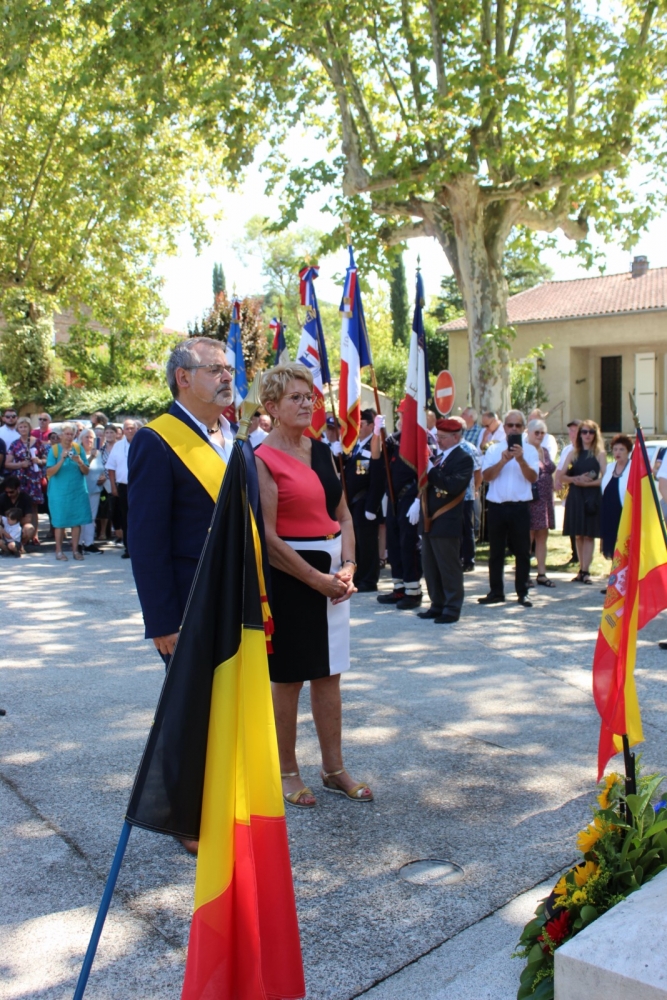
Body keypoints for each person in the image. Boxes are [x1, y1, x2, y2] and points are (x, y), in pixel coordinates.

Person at [254, 364, 370, 809]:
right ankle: (286, 771)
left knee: (329, 674)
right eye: (295, 398)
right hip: (291, 577)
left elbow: (342, 516)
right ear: (272, 407)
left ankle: (334, 768)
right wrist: (316, 579)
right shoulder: (261, 458)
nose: (306, 405)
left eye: (309, 397)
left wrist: (349, 566)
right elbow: (267, 537)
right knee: (288, 679)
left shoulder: (321, 451)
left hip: (334, 574)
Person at [479, 410, 539, 607]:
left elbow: (533, 478)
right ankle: (496, 591)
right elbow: (486, 477)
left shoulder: (530, 451)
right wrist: (503, 461)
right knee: (496, 552)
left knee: (522, 551)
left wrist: (520, 460)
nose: (514, 428)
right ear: (504, 427)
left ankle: (523, 592)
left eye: (518, 426)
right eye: (510, 425)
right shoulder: (494, 450)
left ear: (523, 428)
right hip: (497, 507)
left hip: (520, 507)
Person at [418, 418, 474, 623]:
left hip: (447, 519)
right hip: (429, 519)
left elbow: (453, 486)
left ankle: (452, 608)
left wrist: (431, 471)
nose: (438, 441)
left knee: (448, 566)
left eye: (442, 438)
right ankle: (437, 604)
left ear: (456, 437)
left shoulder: (463, 459)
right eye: (438, 437)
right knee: (431, 566)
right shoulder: (439, 457)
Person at [561, 419, 607, 584]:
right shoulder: (573, 453)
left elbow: (605, 477)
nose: (587, 435)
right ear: (579, 434)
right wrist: (576, 479)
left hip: (592, 496)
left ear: (596, 435)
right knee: (578, 534)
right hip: (576, 495)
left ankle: (586, 570)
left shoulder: (599, 454)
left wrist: (588, 483)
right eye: (584, 432)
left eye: (591, 432)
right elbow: (561, 476)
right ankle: (581, 568)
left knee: (589, 535)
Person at [343, 408, 382, 592]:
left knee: (367, 544)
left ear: (371, 425)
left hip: (365, 501)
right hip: (352, 503)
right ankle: (358, 577)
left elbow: (377, 479)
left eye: (361, 423)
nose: (357, 427)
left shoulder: (374, 445)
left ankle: (369, 579)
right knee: (356, 542)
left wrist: (372, 506)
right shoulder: (354, 446)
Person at [45, 422, 90, 561]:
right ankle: (59, 551)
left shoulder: (78, 448)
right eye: (66, 434)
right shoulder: (54, 450)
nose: (69, 437)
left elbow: (86, 471)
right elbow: (49, 472)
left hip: (77, 490)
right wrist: (62, 459)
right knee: (59, 521)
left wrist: (80, 462)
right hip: (59, 492)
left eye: (71, 434)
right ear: (60, 435)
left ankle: (76, 551)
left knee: (76, 521)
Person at [526, 418, 557, 588]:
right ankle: (525, 574)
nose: (539, 435)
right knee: (528, 536)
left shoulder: (545, 451)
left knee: (542, 536)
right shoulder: (524, 450)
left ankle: (541, 573)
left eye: (542, 433)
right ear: (529, 433)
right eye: (536, 432)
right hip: (531, 499)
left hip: (545, 499)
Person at [6, 416, 46, 542]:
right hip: (20, 479)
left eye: (25, 426)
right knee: (19, 506)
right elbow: (7, 463)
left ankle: (34, 535)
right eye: (20, 426)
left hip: (33, 479)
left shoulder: (38, 442)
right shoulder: (14, 444)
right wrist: (20, 464)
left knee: (34, 507)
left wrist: (39, 460)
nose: (23, 429)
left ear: (29, 428)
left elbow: (46, 460)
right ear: (17, 428)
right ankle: (20, 534)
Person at [106, 419, 138, 558]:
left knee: (140, 517)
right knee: (125, 517)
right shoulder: (118, 446)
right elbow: (111, 468)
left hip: (139, 486)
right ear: (123, 431)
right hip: (124, 487)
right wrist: (113, 486)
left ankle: (141, 547)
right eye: (127, 428)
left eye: (132, 428)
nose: (130, 431)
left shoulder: (142, 444)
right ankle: (128, 548)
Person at [600, 434, 633, 561]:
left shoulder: (632, 467)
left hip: (624, 513)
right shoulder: (609, 467)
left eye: (621, 449)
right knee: (611, 548)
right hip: (608, 513)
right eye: (615, 449)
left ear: (628, 451)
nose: (618, 452)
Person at [79, 428, 106, 553]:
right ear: (81, 439)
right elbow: (81, 468)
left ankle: (89, 543)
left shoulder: (98, 453)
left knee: (91, 517)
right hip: (79, 489)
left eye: (91, 437)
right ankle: (78, 543)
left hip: (95, 489)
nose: (89, 440)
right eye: (86, 437)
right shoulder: (76, 452)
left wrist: (103, 477)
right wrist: (91, 458)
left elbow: (103, 468)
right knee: (80, 516)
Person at [0, 476, 36, 545]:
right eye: (7, 492)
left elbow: (28, 519)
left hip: (19, 527)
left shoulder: (25, 498)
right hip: (5, 527)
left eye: (11, 492)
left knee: (29, 528)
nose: (9, 494)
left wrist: (11, 522)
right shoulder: (2, 498)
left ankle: (20, 544)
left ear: (18, 488)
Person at [97, 424, 117, 543]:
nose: (109, 435)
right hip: (104, 480)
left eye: (111, 432)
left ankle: (118, 530)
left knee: (116, 506)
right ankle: (103, 532)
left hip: (116, 480)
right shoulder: (102, 449)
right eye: (107, 433)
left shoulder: (119, 447)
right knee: (104, 505)